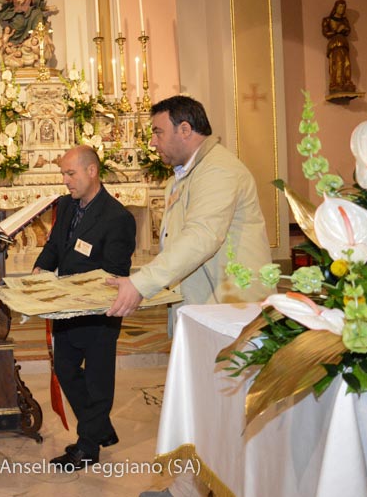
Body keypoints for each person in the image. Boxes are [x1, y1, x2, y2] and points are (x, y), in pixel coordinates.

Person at [102, 96, 272, 497]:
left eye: (159, 132)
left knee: (231, 411)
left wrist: (142, 284)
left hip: (231, 308)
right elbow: (177, 246)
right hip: (203, 310)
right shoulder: (183, 174)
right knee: (201, 405)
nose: (154, 142)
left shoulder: (219, 171)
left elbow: (202, 239)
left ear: (185, 129)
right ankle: (185, 488)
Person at [32, 145, 136, 471]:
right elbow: (55, 245)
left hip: (98, 314)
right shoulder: (66, 205)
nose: (65, 181)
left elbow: (115, 272)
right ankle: (99, 428)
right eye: (63, 173)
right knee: (64, 369)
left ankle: (88, 447)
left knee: (97, 382)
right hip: (67, 310)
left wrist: (79, 290)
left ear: (92, 171)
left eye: (70, 173)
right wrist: (40, 270)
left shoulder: (118, 218)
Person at [322, 0, 356, 94]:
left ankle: (346, 82)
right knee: (338, 63)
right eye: (340, 7)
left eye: (344, 7)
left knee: (347, 64)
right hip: (335, 44)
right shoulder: (327, 20)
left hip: (344, 44)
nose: (342, 9)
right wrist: (337, 30)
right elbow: (326, 33)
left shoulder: (345, 21)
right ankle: (336, 84)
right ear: (335, 8)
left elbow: (348, 31)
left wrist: (343, 29)